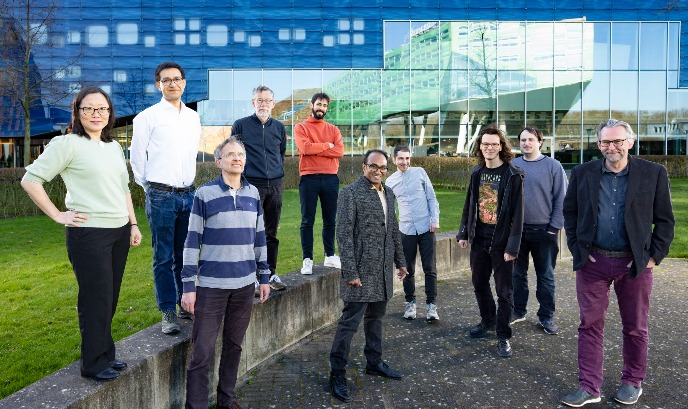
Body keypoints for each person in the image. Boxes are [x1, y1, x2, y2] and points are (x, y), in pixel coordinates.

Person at [21, 86, 142, 381]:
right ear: (77, 112)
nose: (96, 114)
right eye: (88, 108)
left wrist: (134, 224)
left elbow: (124, 189)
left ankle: (106, 355)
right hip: (89, 234)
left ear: (110, 113)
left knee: (109, 297)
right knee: (95, 299)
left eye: (102, 108)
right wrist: (57, 214)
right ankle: (93, 364)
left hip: (119, 231)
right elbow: (30, 179)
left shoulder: (113, 147)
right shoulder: (67, 144)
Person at [561, 119, 674, 408]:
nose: (612, 147)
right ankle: (589, 386)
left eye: (618, 141)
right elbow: (570, 214)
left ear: (630, 142)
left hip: (634, 264)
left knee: (635, 326)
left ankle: (632, 381)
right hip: (593, 262)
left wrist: (653, 257)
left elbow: (664, 221)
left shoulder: (653, 173)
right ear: (598, 144)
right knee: (589, 325)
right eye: (605, 142)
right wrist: (577, 250)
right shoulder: (583, 173)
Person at [181, 136, 270, 409]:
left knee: (234, 347)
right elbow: (192, 240)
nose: (237, 158)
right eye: (230, 154)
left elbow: (260, 237)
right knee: (202, 353)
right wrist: (188, 286)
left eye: (241, 154)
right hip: (210, 287)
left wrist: (264, 276)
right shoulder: (204, 194)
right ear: (219, 161)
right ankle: (195, 405)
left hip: (244, 286)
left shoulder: (253, 193)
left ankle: (226, 401)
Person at [329, 149, 408, 403]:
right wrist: (350, 271)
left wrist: (401, 262)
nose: (378, 171)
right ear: (364, 167)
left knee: (376, 320)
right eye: (373, 166)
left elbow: (393, 230)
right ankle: (337, 373)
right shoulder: (350, 194)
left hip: (383, 272)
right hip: (360, 272)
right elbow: (343, 235)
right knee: (349, 324)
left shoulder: (389, 193)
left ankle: (374, 362)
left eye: (383, 168)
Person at [131, 61, 201, 335]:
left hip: (188, 194)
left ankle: (186, 303)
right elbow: (137, 159)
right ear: (158, 85)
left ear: (184, 83)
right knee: (163, 256)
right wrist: (151, 188)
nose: (172, 83)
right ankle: (168, 310)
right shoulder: (146, 117)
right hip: (161, 195)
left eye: (176, 79)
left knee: (186, 255)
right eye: (165, 80)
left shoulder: (193, 117)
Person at [457, 127, 524, 358]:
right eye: (485, 144)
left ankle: (503, 335)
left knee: (504, 292)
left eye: (494, 144)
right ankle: (487, 320)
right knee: (478, 283)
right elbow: (469, 204)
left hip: (502, 242)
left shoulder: (513, 175)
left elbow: (518, 214)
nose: (489, 148)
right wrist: (464, 233)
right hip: (479, 239)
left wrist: (512, 247)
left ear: (501, 146)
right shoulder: (477, 173)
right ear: (480, 147)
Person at [510, 127, 568, 335]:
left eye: (531, 140)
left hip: (545, 231)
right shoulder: (513, 165)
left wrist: (554, 228)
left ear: (540, 142)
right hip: (517, 232)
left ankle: (546, 317)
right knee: (517, 275)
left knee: (546, 276)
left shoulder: (553, 166)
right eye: (523, 140)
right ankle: (518, 311)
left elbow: (562, 198)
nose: (526, 143)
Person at [230, 85, 288, 292]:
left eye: (267, 100)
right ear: (253, 102)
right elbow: (233, 154)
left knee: (271, 233)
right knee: (250, 233)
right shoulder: (241, 125)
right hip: (251, 187)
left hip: (275, 187)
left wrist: (275, 174)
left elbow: (280, 155)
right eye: (259, 100)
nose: (263, 104)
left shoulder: (279, 128)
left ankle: (270, 274)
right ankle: (252, 277)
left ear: (273, 104)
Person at [386, 145, 441, 322]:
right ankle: (410, 303)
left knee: (430, 268)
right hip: (406, 230)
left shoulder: (420, 173)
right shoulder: (390, 182)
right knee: (407, 269)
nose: (404, 162)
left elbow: (431, 197)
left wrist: (434, 219)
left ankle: (431, 306)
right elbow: (388, 210)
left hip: (426, 227)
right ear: (394, 160)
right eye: (401, 158)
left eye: (407, 158)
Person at [293, 92, 344, 275]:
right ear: (311, 105)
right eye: (318, 104)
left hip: (330, 178)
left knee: (330, 220)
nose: (321, 108)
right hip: (309, 178)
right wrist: (327, 145)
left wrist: (318, 148)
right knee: (307, 221)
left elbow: (339, 151)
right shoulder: (301, 127)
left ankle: (330, 256)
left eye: (324, 105)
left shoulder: (334, 129)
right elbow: (305, 148)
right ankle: (307, 259)